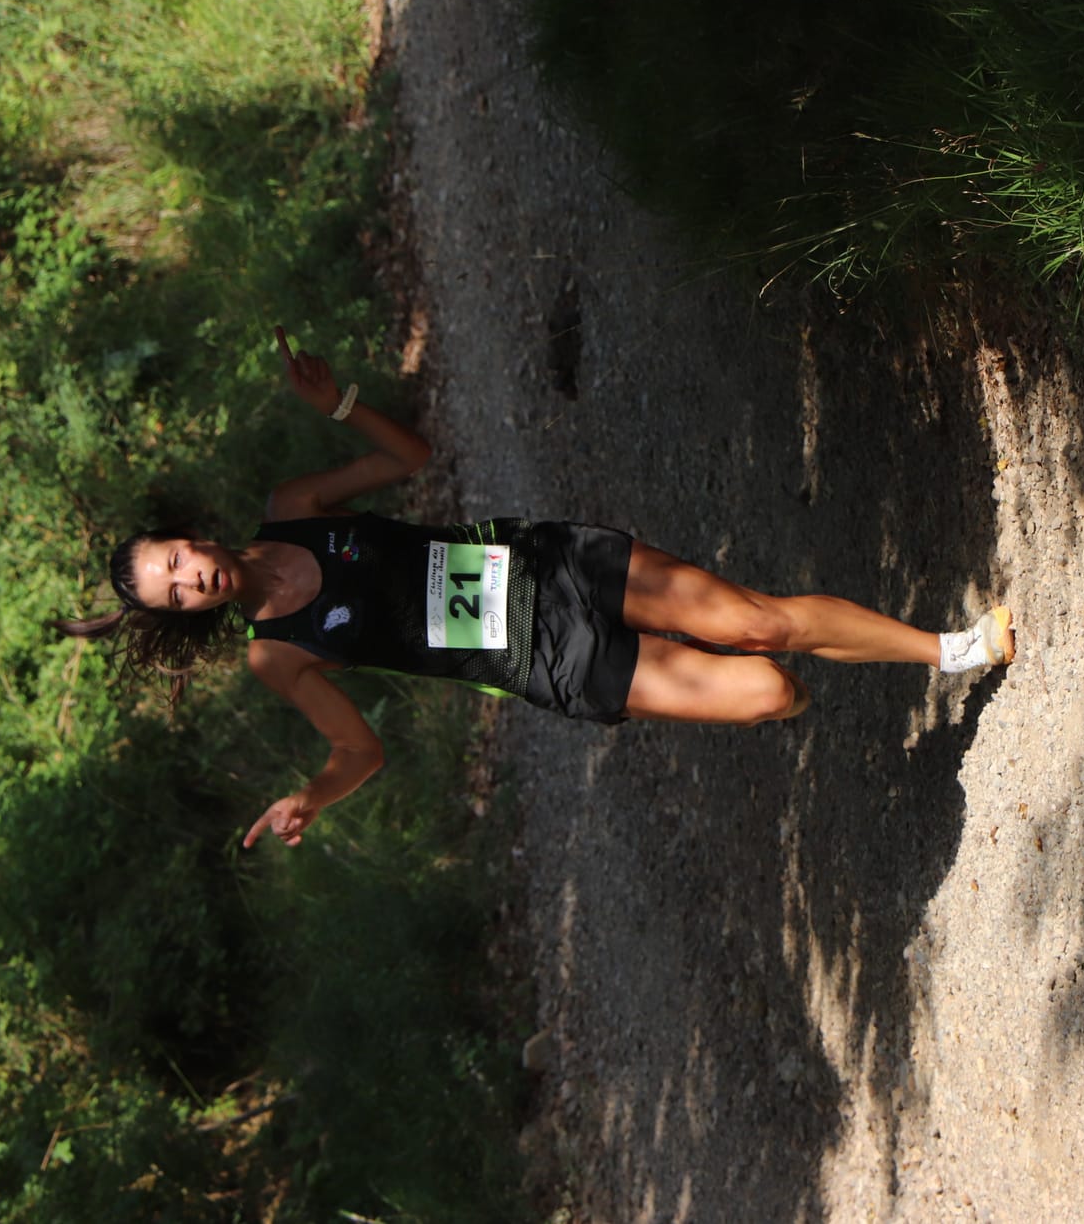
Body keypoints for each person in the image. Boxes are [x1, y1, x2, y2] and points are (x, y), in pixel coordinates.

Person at [60, 330, 1015, 850]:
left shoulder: (293, 505)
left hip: (542, 563)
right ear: (186, 616)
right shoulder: (277, 651)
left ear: (191, 536)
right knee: (769, 690)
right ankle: (819, 677)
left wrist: (337, 405)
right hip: (537, 656)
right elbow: (362, 748)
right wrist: (315, 793)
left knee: (759, 623)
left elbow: (413, 456)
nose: (192, 578)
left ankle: (952, 651)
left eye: (178, 561)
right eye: (178, 594)